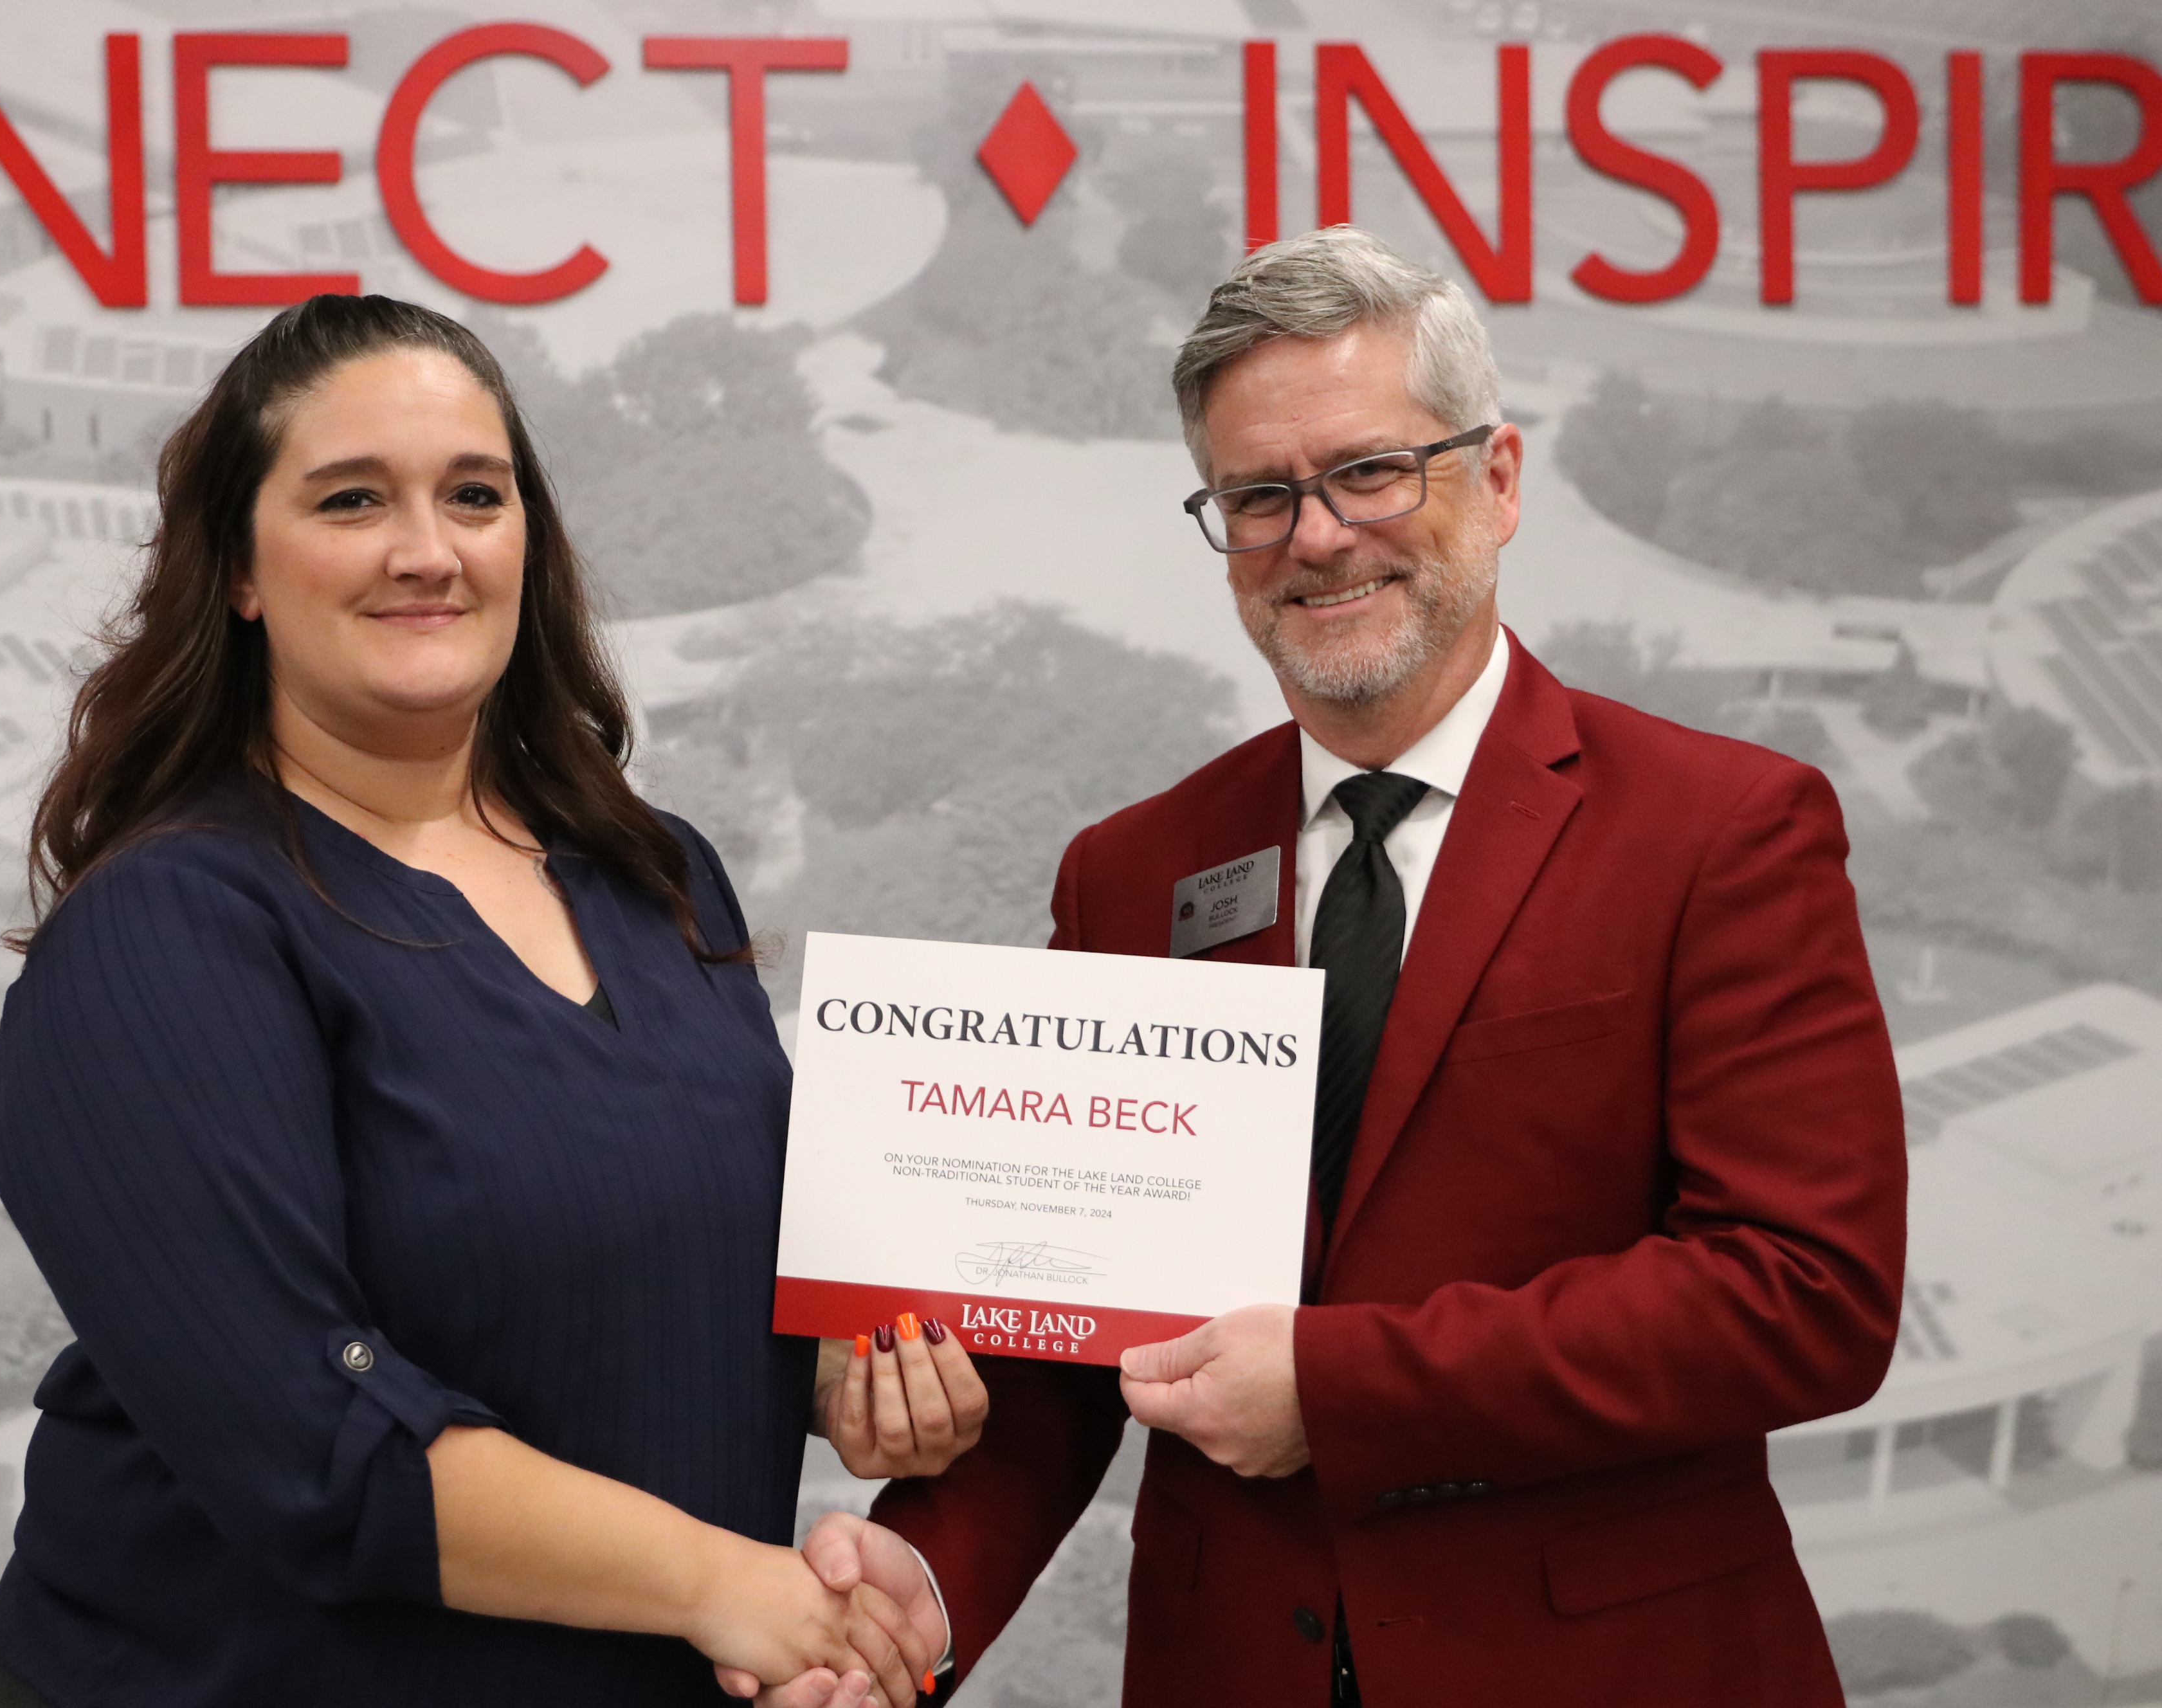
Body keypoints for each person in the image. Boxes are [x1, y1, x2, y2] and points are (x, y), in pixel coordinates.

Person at [804, 228, 1908, 1705]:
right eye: (1258, 495)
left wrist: (1341, 1388)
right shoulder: (1133, 869)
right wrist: (923, 1581)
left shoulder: (1722, 830)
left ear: (1498, 479)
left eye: (1372, 471)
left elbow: (1805, 1290)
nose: (1316, 535)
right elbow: (1085, 1338)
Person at [0, 294, 983, 1708]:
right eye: (349, 499)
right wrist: (720, 1581)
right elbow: (308, 1436)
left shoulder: (654, 870)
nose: (427, 550)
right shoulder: (165, 931)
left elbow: (635, 1247)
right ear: (242, 570)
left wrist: (839, 1374)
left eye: (473, 494)